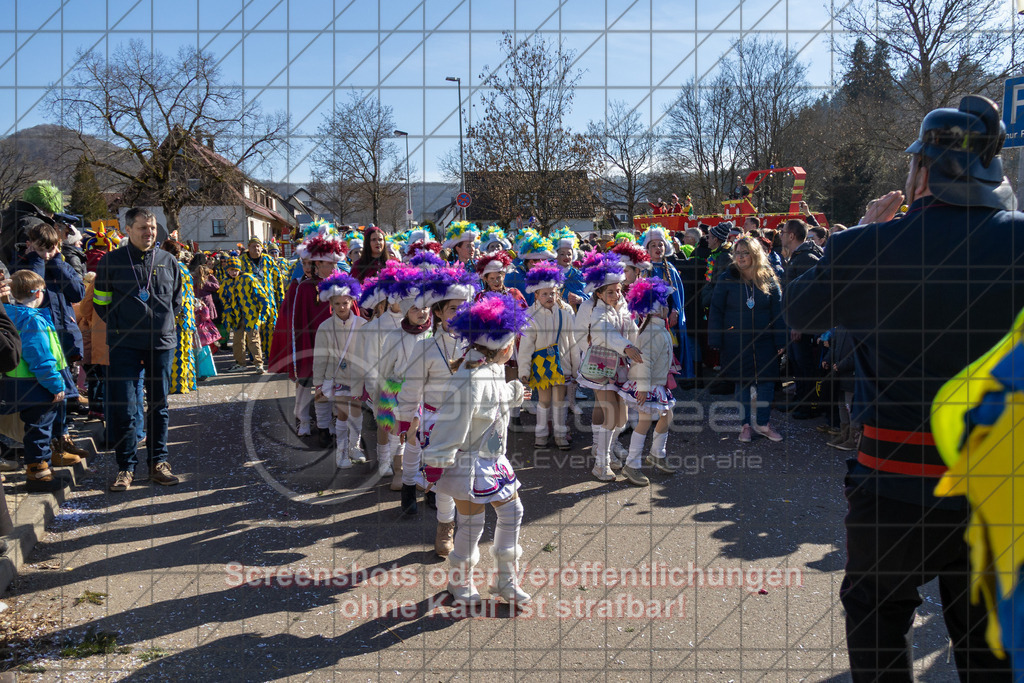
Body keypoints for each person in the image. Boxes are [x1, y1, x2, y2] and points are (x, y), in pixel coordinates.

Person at [785, 94, 1018, 681]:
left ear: (923, 171)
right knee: (989, 640)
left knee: (877, 617)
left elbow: (803, 312)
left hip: (893, 482)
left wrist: (862, 231)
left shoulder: (869, 245)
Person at [420, 294, 533, 605]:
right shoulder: (470, 376)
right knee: (472, 523)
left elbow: (492, 403)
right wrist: (436, 460)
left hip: (493, 459)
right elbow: (452, 422)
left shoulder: (492, 369)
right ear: (505, 347)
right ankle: (459, 582)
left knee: (513, 511)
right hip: (467, 462)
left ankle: (506, 580)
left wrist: (514, 393)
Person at [93, 207, 183, 491]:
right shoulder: (111, 262)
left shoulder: (168, 261)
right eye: (143, 228)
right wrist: (123, 325)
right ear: (128, 230)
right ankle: (125, 468)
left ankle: (158, 463)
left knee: (159, 406)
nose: (149, 232)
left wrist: (161, 324)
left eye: (153, 228)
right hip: (124, 344)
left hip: (160, 342)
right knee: (125, 408)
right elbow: (101, 302)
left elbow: (177, 302)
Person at [397, 265, 477, 544]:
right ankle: (444, 525)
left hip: (467, 420)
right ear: (439, 313)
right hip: (433, 419)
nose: (460, 314)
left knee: (463, 474)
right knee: (442, 473)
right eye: (453, 309)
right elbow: (411, 387)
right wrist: (407, 419)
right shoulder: (425, 348)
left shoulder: (478, 345)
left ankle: (462, 524)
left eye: (464, 308)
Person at [14, 222, 88, 460]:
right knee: (49, 393)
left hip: (63, 333)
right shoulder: (23, 265)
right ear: (30, 245)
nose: (46, 254)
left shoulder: (59, 263)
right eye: (40, 249)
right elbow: (35, 285)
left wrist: (58, 262)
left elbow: (78, 293)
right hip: (41, 337)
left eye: (51, 249)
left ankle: (63, 438)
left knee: (64, 391)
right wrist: (37, 261)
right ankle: (52, 446)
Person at [1, 270, 79, 492]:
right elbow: (42, 359)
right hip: (37, 385)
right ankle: (38, 474)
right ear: (37, 293)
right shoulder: (32, 320)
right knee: (40, 429)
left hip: (16, 383)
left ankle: (39, 469)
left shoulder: (8, 315)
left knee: (32, 429)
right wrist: (57, 385)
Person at [709, 236, 786, 442]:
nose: (741, 257)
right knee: (742, 382)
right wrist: (715, 338)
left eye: (745, 253)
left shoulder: (769, 277)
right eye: (738, 253)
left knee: (766, 383)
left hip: (765, 340)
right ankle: (745, 425)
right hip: (736, 340)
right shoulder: (727, 278)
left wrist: (781, 340)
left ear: (755, 254)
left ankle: (762, 423)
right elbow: (716, 310)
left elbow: (778, 312)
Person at [578, 254, 642, 481]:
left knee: (622, 418)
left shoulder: (622, 306)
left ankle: (608, 450)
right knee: (610, 414)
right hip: (600, 368)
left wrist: (640, 345)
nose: (616, 295)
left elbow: (632, 329)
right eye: (610, 292)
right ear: (598, 293)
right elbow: (606, 333)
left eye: (619, 290)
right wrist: (626, 347)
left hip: (621, 369)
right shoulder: (596, 311)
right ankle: (600, 463)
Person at [619, 277, 678, 485]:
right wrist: (643, 388)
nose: (668, 309)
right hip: (648, 384)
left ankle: (656, 454)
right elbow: (644, 361)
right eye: (665, 305)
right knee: (645, 422)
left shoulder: (656, 329)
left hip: (655, 383)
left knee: (666, 414)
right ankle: (632, 465)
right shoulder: (654, 331)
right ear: (657, 310)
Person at [518, 261, 577, 450]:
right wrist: (523, 371)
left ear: (557, 293)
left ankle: (560, 436)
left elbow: (573, 343)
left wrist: (577, 368)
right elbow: (526, 347)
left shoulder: (565, 315)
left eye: (552, 293)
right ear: (536, 295)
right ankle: (541, 435)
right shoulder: (530, 317)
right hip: (541, 365)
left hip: (562, 365)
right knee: (543, 401)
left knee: (560, 401)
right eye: (544, 294)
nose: (549, 297)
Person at [311, 272, 365, 469]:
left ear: (352, 301)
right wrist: (318, 382)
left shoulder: (362, 324)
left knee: (357, 412)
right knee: (342, 413)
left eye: (345, 302)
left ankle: (355, 446)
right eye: (337, 304)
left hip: (358, 377)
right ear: (330, 304)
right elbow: (320, 357)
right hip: (336, 377)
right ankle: (341, 452)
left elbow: (370, 352)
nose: (342, 307)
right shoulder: (325, 327)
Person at [780, 218, 824, 420]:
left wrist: (800, 323)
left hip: (803, 324)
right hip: (795, 322)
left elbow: (810, 294)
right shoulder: (798, 256)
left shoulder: (806, 258)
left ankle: (809, 405)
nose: (780, 235)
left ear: (791, 235)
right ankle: (800, 399)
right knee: (797, 363)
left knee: (806, 365)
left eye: (783, 232)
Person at [640, 226, 695, 379]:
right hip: (647, 319)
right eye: (653, 245)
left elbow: (678, 295)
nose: (658, 248)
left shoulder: (670, 268)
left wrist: (675, 311)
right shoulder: (642, 269)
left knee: (670, 347)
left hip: (668, 318)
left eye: (661, 244)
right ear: (647, 249)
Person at [220, 257, 273, 375]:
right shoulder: (225, 282)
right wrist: (228, 311)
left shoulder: (248, 279)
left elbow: (261, 295)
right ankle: (240, 363)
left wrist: (263, 311)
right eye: (230, 270)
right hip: (236, 317)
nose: (233, 273)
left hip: (251, 315)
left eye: (235, 270)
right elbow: (224, 298)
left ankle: (259, 364)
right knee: (238, 341)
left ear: (239, 269)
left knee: (253, 340)